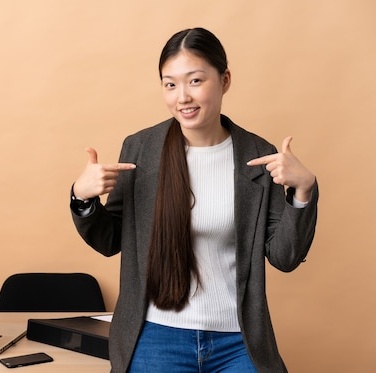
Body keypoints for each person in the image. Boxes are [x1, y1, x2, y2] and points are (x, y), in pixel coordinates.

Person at [69, 27, 318, 373]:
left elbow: (285, 256)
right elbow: (111, 239)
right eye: (170, 84)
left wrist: (303, 192)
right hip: (156, 336)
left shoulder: (259, 156)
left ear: (224, 79)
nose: (182, 97)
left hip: (238, 340)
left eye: (195, 81)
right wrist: (82, 197)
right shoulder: (141, 149)